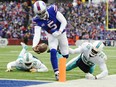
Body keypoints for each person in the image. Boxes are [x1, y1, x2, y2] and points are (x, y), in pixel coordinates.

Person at [32, 1, 69, 80]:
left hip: (61, 33)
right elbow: (37, 34)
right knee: (52, 51)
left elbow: (64, 21)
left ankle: (59, 51)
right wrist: (34, 45)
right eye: (39, 14)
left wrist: (59, 31)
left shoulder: (52, 9)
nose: (42, 15)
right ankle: (57, 73)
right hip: (51, 35)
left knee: (66, 55)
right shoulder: (36, 20)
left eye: (43, 12)